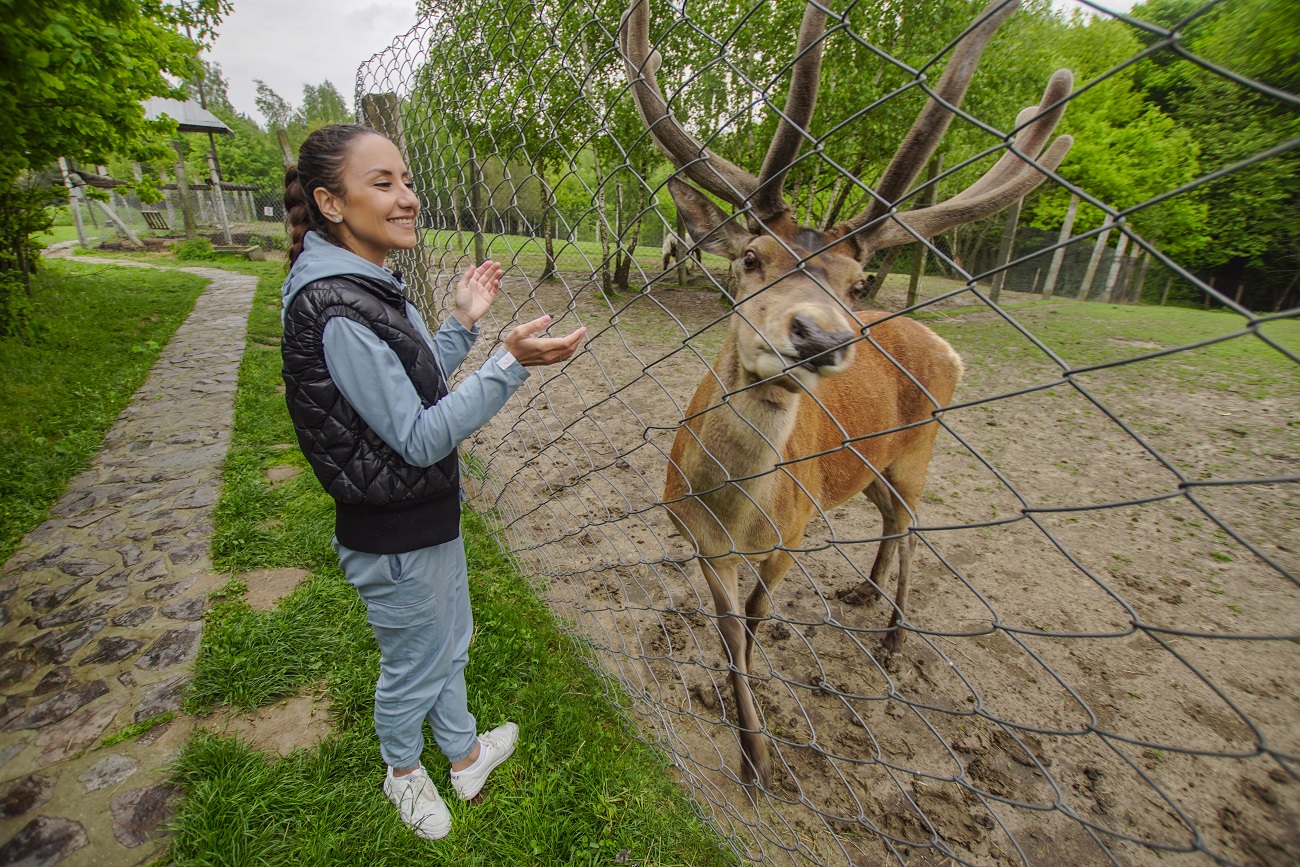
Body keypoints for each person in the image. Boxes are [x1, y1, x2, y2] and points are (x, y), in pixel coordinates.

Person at [279, 123, 584, 840]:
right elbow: (418, 437)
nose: (408, 197)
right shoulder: (337, 307)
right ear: (330, 201)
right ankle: (402, 771)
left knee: (449, 645)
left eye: (408, 180)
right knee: (414, 665)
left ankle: (465, 755)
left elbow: (406, 388)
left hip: (421, 515)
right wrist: (508, 366)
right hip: (392, 534)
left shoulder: (364, 287)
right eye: (382, 183)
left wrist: (460, 325)